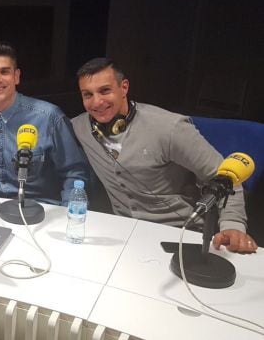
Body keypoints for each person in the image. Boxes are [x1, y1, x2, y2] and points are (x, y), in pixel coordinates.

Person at [71, 57, 257, 253]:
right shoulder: (80, 127)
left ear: (124, 87)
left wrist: (233, 226)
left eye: (105, 90)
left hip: (182, 233)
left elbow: (226, 180)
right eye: (87, 95)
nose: (97, 102)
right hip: (124, 233)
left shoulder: (170, 129)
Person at [0, 40, 90, 204]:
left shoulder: (49, 117)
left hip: (42, 210)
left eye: (4, 72)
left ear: (16, 76)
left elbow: (75, 172)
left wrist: (70, 216)